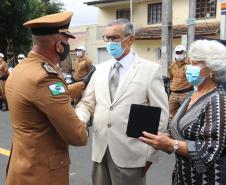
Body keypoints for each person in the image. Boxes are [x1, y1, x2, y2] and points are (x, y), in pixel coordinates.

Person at [75, 19, 169, 185]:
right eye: (107, 38)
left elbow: (159, 115)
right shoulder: (100, 69)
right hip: (100, 151)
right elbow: (87, 103)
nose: (111, 43)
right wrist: (79, 121)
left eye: (115, 38)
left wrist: (150, 155)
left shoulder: (149, 70)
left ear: (130, 39)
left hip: (132, 153)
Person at [4, 11, 90, 185]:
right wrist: (83, 112)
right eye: (67, 42)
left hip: (23, 164)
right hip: (42, 173)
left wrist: (83, 84)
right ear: (59, 46)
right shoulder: (45, 77)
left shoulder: (23, 69)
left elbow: (47, 96)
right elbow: (78, 137)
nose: (68, 47)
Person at [139, 40, 226, 185]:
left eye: (196, 63)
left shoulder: (218, 100)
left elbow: (210, 149)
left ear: (212, 69)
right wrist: (164, 136)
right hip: (183, 176)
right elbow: (179, 126)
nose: (189, 67)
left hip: (208, 179)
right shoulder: (193, 95)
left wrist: (172, 144)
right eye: (189, 62)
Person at [168, 45, 193, 121]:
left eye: (181, 52)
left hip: (185, 94)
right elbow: (171, 77)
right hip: (173, 94)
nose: (179, 54)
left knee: (185, 115)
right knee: (171, 115)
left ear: (185, 53)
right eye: (177, 52)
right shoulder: (172, 65)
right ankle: (171, 132)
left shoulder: (190, 64)